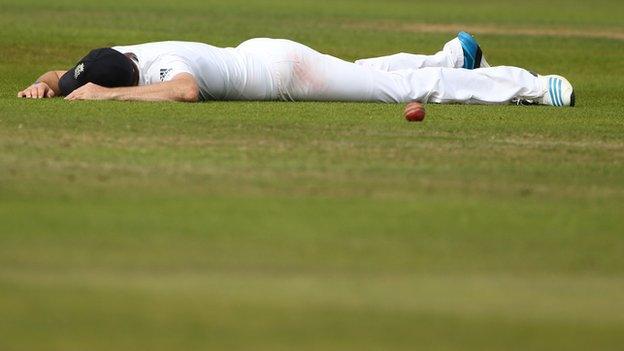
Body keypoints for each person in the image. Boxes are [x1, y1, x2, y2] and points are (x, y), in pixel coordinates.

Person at [17, 32, 575, 107]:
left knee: (394, 89)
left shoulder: (164, 68)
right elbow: (62, 76)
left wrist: (105, 100)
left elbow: (184, 92)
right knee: (358, 70)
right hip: (262, 52)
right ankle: (457, 55)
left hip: (286, 75)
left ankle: (529, 85)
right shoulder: (118, 56)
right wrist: (45, 86)